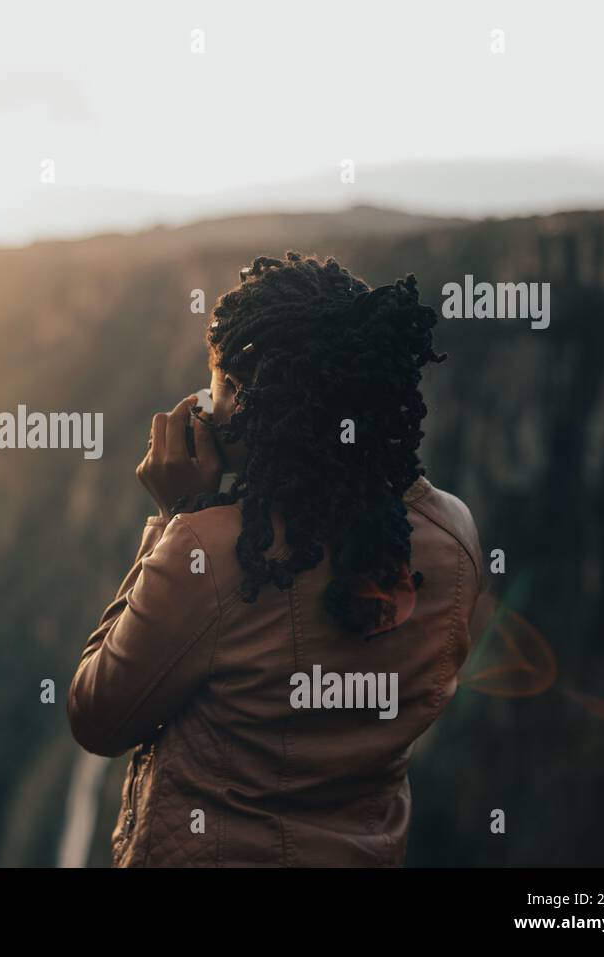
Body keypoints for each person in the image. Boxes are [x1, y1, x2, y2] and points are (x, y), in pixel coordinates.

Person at [67, 252, 482, 867]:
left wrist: (174, 517)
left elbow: (97, 716)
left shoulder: (209, 553)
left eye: (213, 389)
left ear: (245, 406)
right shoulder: (455, 536)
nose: (202, 406)